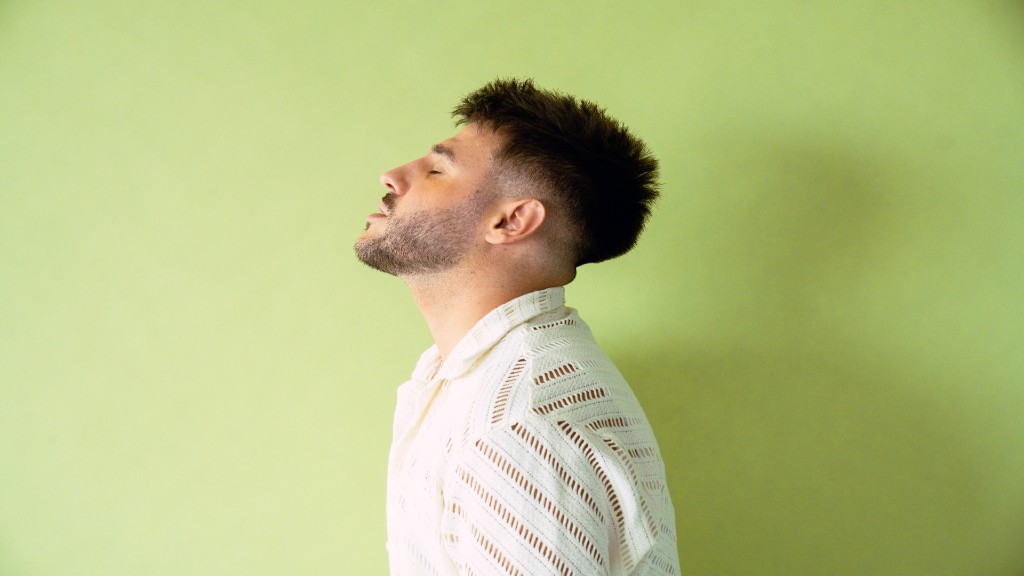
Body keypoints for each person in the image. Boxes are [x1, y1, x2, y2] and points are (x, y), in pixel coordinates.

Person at [355, 78, 679, 576]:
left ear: (511, 221)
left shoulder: (519, 421)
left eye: (437, 170)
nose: (393, 176)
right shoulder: (467, 379)